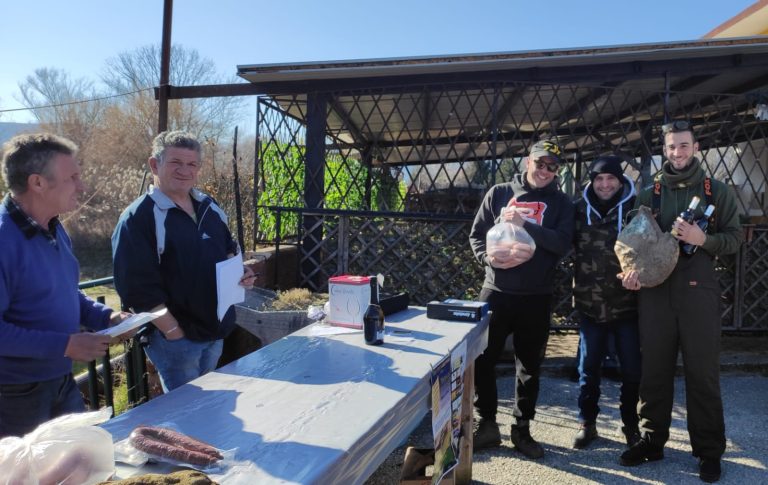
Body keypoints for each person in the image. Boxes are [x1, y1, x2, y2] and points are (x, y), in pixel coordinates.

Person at [618, 121, 743, 483]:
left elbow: (734, 239)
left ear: (696, 147)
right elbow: (631, 244)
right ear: (665, 150)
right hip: (656, 293)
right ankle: (651, 442)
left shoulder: (716, 191)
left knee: (702, 373)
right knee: (654, 370)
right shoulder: (649, 194)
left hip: (697, 291)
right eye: (672, 147)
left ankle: (708, 451)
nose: (678, 153)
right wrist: (630, 272)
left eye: (684, 146)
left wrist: (702, 238)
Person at [0, 133, 125, 437]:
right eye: (72, 177)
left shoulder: (54, 228)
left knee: (80, 466)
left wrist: (105, 317)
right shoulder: (3, 240)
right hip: (14, 395)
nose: (81, 186)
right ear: (38, 183)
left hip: (59, 379)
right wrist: (66, 345)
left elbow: (66, 293)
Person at [112, 131, 255, 393]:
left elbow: (229, 252)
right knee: (186, 414)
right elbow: (136, 288)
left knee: (206, 408)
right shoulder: (138, 218)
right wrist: (173, 331)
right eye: (176, 163)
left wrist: (242, 273)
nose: (185, 171)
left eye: (192, 164)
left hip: (215, 332)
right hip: (177, 340)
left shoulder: (209, 207)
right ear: (154, 165)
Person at [469, 139, 575, 458]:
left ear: (557, 171)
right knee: (481, 359)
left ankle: (522, 429)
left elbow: (561, 243)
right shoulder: (500, 193)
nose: (545, 171)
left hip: (537, 295)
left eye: (552, 167)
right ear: (528, 161)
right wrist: (490, 259)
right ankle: (486, 424)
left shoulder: (562, 204)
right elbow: (477, 236)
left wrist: (524, 223)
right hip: (497, 292)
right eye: (540, 163)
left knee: (529, 366)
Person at [571, 155, 641, 449]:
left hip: (628, 306)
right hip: (590, 306)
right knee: (588, 370)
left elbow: (651, 250)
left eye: (610, 178)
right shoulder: (576, 211)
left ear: (620, 181)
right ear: (592, 181)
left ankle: (631, 426)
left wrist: (642, 273)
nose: (604, 184)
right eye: (599, 179)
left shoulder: (636, 212)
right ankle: (588, 423)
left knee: (632, 371)